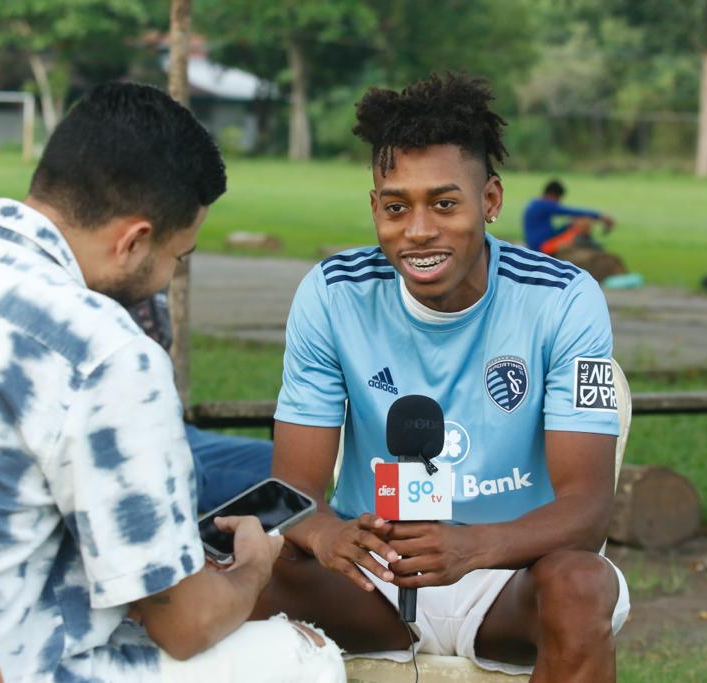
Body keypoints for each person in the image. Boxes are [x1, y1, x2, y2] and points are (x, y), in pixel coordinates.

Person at [0, 82, 344, 682]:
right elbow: (185, 626)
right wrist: (253, 568)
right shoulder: (106, 352)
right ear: (134, 242)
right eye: (177, 258)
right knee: (303, 655)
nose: (168, 276)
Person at [253, 73, 629, 682]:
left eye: (445, 204)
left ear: (491, 200)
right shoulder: (333, 294)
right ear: (375, 208)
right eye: (396, 207)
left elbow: (587, 509)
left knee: (583, 584)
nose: (419, 230)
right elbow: (291, 489)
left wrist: (474, 546)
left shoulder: (563, 298)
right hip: (372, 578)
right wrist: (326, 535)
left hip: (511, 574)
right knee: (229, 573)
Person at [128, 292, 272, 513]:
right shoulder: (93, 300)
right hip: (131, 438)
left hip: (178, 431)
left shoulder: (152, 285)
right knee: (182, 470)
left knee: (284, 466)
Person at [522, 180, 616, 255]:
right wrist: (600, 216)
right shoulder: (544, 204)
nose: (558, 203)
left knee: (572, 223)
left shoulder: (535, 202)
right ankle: (593, 249)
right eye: (558, 199)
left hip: (537, 242)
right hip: (541, 246)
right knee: (580, 224)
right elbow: (572, 211)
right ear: (553, 195)